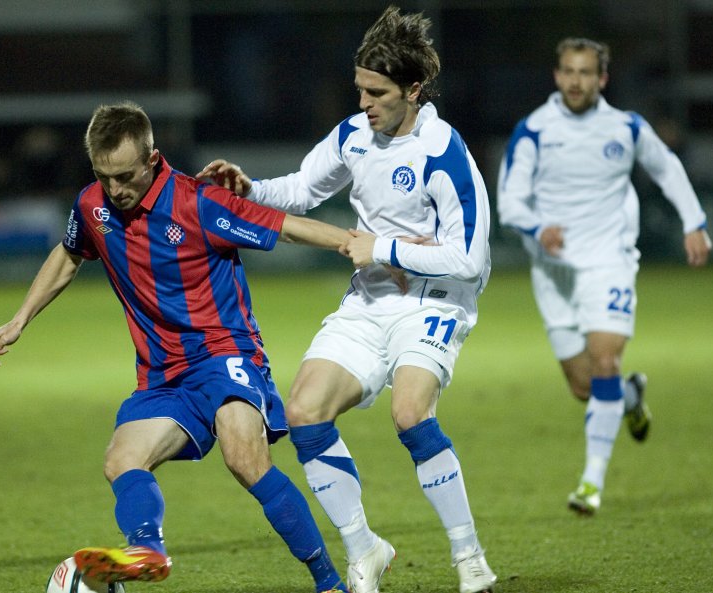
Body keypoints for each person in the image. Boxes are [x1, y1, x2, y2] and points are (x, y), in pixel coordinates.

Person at [0, 102, 355, 593]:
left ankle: (329, 584)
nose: (115, 189)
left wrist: (357, 243)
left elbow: (285, 226)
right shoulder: (92, 205)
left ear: (153, 158)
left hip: (226, 355)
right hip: (162, 375)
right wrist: (19, 320)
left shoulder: (198, 203)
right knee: (121, 459)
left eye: (125, 175)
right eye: (104, 175)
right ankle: (146, 550)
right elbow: (69, 254)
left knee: (245, 459)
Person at [197, 6, 497, 593]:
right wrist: (250, 187)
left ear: (413, 90)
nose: (364, 103)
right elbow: (303, 190)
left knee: (410, 413)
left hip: (435, 302)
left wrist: (381, 247)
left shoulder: (445, 153)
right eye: (359, 90)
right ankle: (365, 549)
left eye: (377, 92)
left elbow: (469, 258)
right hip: (370, 299)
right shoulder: (354, 135)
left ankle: (469, 559)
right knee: (304, 410)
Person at [497, 37, 712, 516]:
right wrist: (537, 227)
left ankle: (591, 482)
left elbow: (667, 168)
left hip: (608, 260)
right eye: (568, 72)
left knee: (605, 362)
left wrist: (693, 221)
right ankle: (632, 396)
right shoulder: (533, 130)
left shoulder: (626, 127)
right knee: (584, 385)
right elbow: (509, 200)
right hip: (553, 272)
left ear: (602, 79)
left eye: (585, 73)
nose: (576, 81)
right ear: (557, 77)